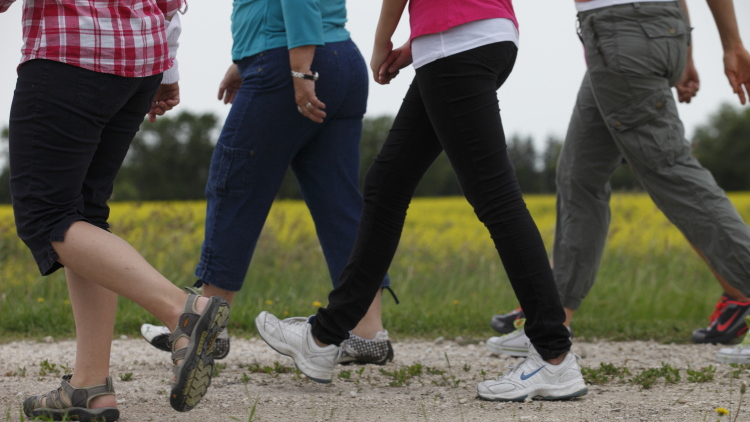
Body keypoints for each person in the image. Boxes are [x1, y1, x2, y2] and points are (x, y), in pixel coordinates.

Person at [253, 0, 589, 402]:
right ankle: (324, 337)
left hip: (457, 42)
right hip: (472, 35)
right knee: (387, 185)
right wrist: (416, 43)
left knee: (495, 198)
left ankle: (553, 355)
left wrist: (382, 43)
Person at [1, 1, 230, 420]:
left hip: (68, 53)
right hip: (141, 58)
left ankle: (183, 312)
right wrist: (169, 68)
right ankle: (90, 384)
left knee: (46, 216)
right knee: (83, 215)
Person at [487, 0, 750, 358]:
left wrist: (730, 45)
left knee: (671, 171)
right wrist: (690, 53)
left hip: (622, 31)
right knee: (580, 174)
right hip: (636, 32)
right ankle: (553, 323)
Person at [139, 0, 396, 365]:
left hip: (291, 60)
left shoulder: (296, 65)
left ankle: (207, 325)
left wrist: (299, 70)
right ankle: (366, 330)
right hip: (339, 59)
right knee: (338, 200)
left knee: (234, 184)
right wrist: (245, 59)